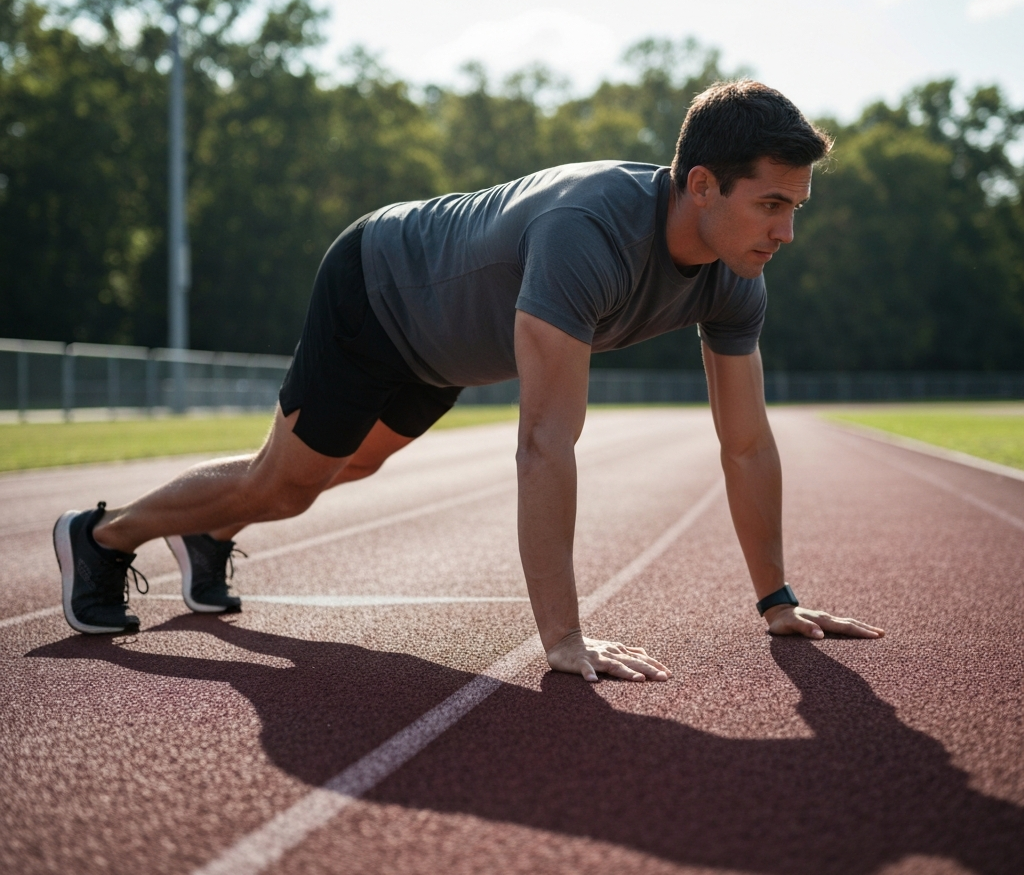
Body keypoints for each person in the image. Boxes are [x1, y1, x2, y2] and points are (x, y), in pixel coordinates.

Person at [53, 80, 884, 681]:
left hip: (444, 350)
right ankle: (100, 538)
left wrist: (776, 598)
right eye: (772, 204)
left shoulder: (737, 274)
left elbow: (744, 442)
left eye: (796, 208)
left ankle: (204, 532)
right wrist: (563, 639)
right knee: (289, 485)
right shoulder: (587, 230)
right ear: (702, 184)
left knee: (349, 467)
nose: (787, 231)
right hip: (380, 287)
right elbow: (544, 442)